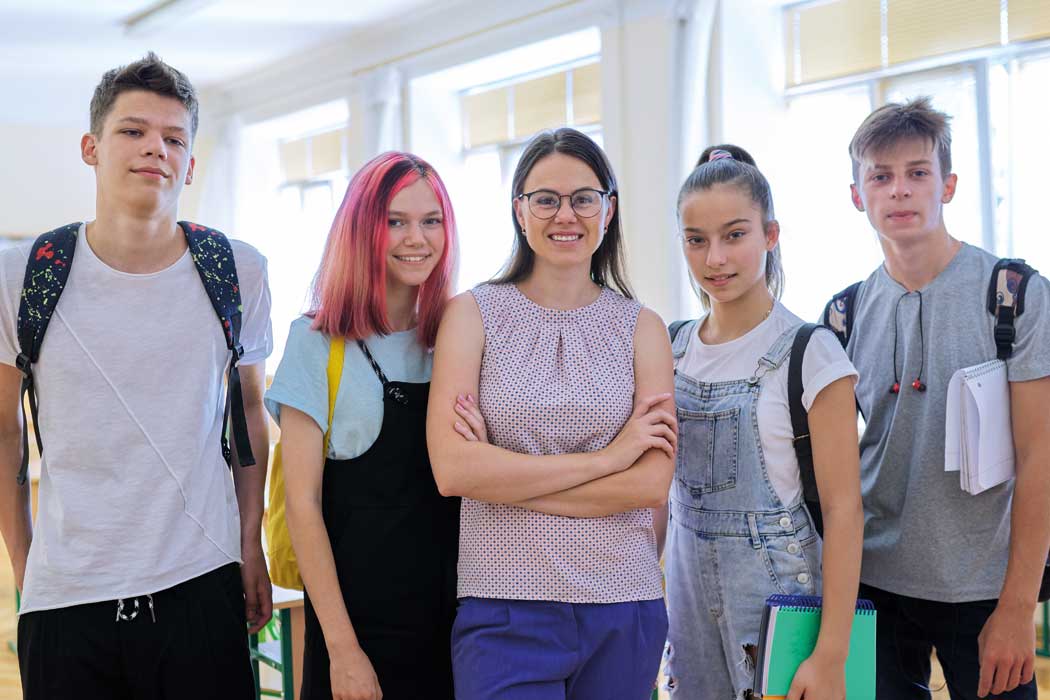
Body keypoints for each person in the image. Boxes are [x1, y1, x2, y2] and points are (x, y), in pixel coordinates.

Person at [0, 53, 273, 699]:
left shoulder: (237, 270)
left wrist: (250, 545)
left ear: (191, 163)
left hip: (201, 581)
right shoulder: (23, 276)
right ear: (91, 148)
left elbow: (251, 413)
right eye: (133, 131)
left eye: (174, 137)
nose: (155, 148)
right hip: (68, 595)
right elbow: (3, 434)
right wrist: (25, 568)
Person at [427, 127, 676, 700]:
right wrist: (610, 459)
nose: (566, 214)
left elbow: (650, 483)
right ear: (520, 210)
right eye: (546, 199)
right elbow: (453, 471)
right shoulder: (471, 315)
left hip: (624, 603)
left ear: (608, 210)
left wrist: (500, 477)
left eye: (584, 197)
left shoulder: (644, 329)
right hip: (504, 607)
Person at [828, 97, 1050, 699]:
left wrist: (1018, 607)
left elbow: (1040, 460)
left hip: (982, 591)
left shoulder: (1014, 294)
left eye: (917, 173)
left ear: (947, 186)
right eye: (880, 176)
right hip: (872, 590)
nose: (899, 191)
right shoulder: (842, 315)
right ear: (857, 195)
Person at [662, 145, 864, 700]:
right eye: (695, 239)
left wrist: (831, 654)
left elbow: (846, 512)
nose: (715, 259)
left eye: (734, 235)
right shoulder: (668, 348)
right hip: (685, 600)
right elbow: (657, 497)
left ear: (770, 235)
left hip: (780, 598)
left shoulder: (811, 352)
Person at [265, 151, 460, 700]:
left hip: (454, 627)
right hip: (357, 633)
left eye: (431, 221)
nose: (415, 238)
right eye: (394, 221)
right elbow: (303, 506)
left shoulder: (458, 336)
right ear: (361, 229)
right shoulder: (317, 342)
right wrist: (343, 651)